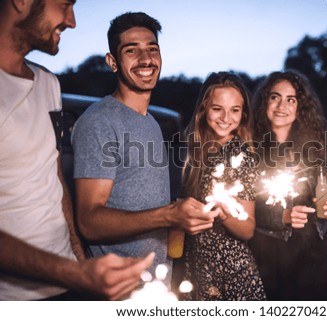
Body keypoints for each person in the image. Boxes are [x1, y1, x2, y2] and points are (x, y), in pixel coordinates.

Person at [0, 0, 154, 300]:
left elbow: (54, 178)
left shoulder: (48, 84)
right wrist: (72, 272)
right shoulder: (98, 120)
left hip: (70, 284)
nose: (72, 21)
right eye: (65, 5)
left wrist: (79, 262)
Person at [71, 12, 219, 286]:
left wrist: (175, 211)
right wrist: (169, 214)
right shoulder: (99, 121)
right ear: (112, 62)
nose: (146, 59)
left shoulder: (150, 122)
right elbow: (89, 222)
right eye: (132, 50)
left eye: (152, 49)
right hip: (119, 289)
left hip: (156, 284)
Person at [249, 70, 327, 300]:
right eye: (275, 97)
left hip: (311, 257)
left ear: (301, 107)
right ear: (264, 101)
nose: (282, 105)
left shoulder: (315, 147)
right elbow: (240, 207)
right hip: (267, 256)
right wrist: (281, 216)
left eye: (291, 99)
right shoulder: (248, 148)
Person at [179, 72, 266, 300]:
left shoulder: (240, 155)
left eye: (235, 110)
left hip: (230, 272)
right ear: (204, 109)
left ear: (243, 113)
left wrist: (223, 206)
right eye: (217, 108)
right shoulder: (195, 151)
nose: (226, 117)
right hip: (198, 268)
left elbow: (247, 229)